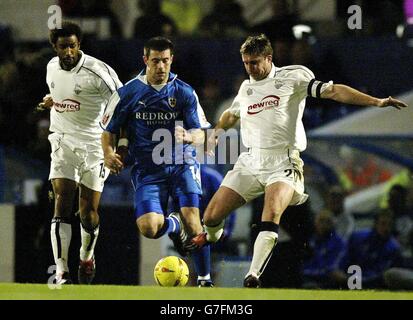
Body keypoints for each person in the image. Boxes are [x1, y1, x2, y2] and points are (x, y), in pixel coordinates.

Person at [192, 34, 408, 288]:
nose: (249, 68)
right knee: (212, 216)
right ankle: (212, 236)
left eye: (254, 62)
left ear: (269, 58)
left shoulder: (293, 76)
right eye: (245, 63)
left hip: (283, 161)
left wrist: (376, 102)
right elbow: (231, 114)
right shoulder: (246, 87)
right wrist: (216, 132)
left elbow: (334, 91)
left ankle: (253, 276)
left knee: (271, 213)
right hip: (250, 161)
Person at [100, 36, 214, 287]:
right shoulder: (128, 92)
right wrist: (109, 153)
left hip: (182, 163)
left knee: (193, 218)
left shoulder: (184, 92)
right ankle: (174, 224)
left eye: (165, 61)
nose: (161, 66)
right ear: (145, 60)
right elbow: (108, 130)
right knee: (149, 227)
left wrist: (189, 136)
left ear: (171, 60)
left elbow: (201, 133)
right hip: (148, 170)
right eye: (155, 61)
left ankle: (205, 281)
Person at [38, 21, 122, 285]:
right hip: (63, 141)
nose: (69, 51)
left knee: (88, 213)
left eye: (73, 45)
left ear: (79, 45)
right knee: (61, 201)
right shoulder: (51, 67)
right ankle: (61, 271)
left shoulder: (98, 72)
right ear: (55, 47)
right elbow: (61, 95)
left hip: (95, 146)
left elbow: (122, 105)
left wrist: (114, 148)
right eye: (63, 46)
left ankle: (87, 256)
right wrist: (51, 102)